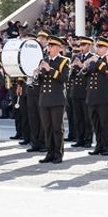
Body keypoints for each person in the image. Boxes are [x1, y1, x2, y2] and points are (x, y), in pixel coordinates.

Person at [37, 36, 71, 164]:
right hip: (44, 98)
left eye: (52, 46)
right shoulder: (44, 60)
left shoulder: (64, 61)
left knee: (57, 128)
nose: (49, 48)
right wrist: (37, 73)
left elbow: (65, 78)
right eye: (49, 46)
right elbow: (41, 81)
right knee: (47, 127)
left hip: (57, 99)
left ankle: (58, 153)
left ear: (58, 48)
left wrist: (50, 70)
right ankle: (49, 152)